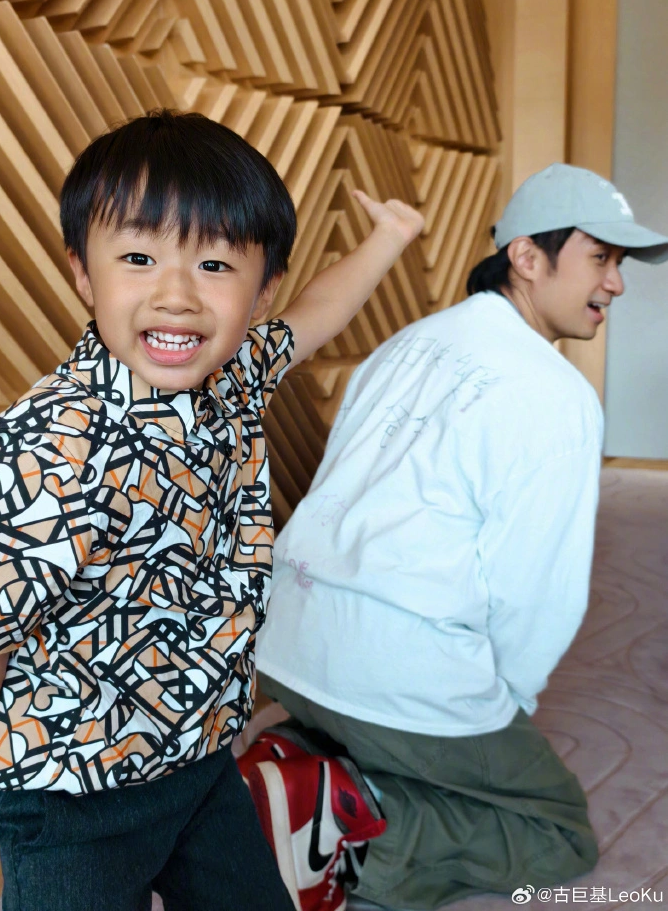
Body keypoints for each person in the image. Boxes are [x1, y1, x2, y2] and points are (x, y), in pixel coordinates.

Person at [0, 108, 424, 911]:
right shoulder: (43, 450)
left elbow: (316, 315)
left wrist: (390, 236)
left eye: (216, 265)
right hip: (71, 796)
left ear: (261, 289)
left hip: (199, 757)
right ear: (83, 273)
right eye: (139, 258)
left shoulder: (234, 373)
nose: (177, 295)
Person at [246, 163, 668, 911]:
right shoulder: (556, 395)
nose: (616, 283)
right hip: (398, 671)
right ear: (527, 257)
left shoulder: (405, 344)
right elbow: (536, 592)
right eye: (601, 257)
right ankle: (345, 826)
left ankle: (291, 763)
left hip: (285, 649)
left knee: (400, 737)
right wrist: (500, 707)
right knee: (558, 832)